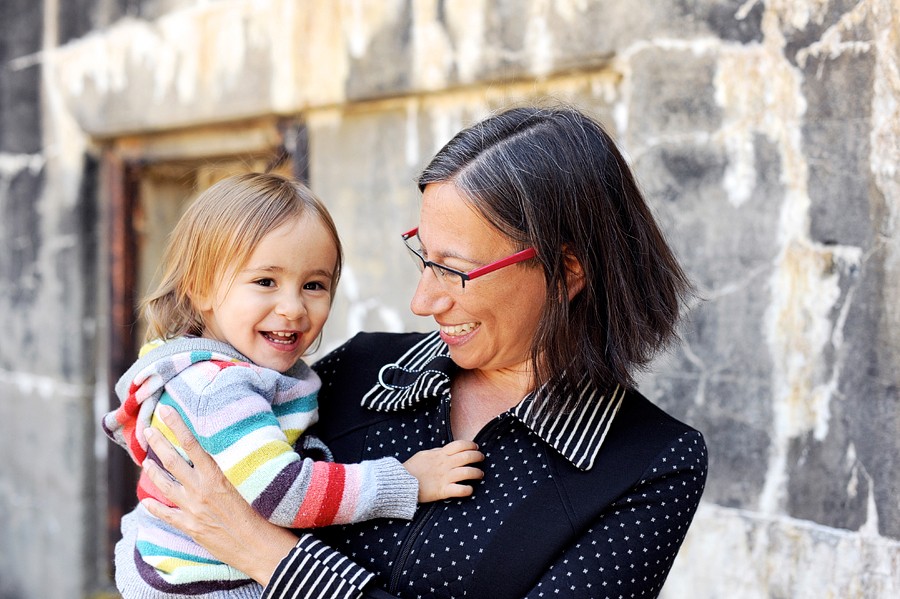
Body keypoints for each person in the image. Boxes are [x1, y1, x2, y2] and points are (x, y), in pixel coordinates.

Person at [137, 106, 708, 599]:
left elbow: (243, 524)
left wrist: (267, 555)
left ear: (565, 271)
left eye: (454, 270)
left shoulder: (651, 464)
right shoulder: (356, 371)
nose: (421, 300)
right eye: (423, 257)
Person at [103, 172, 484, 599]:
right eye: (265, 281)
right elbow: (281, 492)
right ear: (200, 288)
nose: (292, 308)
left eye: (314, 285)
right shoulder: (218, 387)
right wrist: (405, 481)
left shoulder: (234, 371)